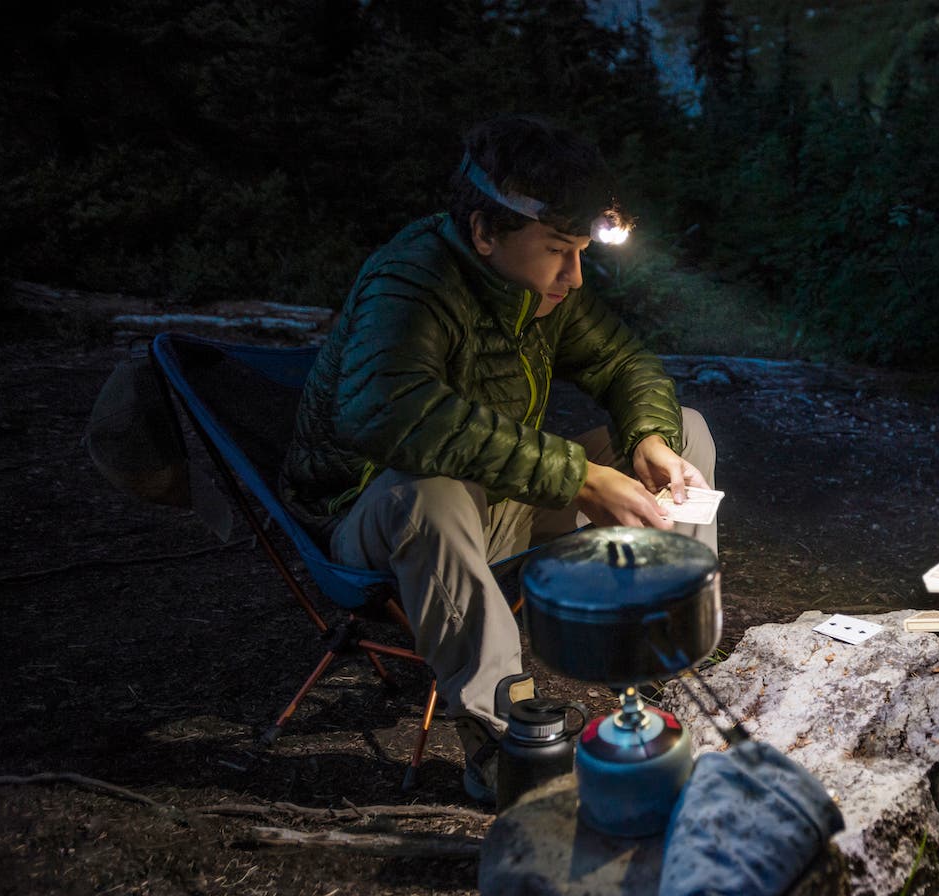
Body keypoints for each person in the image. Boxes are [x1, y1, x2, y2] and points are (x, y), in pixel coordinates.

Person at [281, 115, 717, 805]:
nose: (574, 278)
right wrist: (579, 476)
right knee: (432, 492)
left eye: (581, 252)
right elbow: (386, 411)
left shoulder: (540, 290)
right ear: (485, 231)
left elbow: (625, 362)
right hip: (376, 520)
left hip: (497, 494)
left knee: (686, 430)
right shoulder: (412, 279)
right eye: (558, 250)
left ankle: (659, 658)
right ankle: (505, 738)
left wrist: (648, 441)